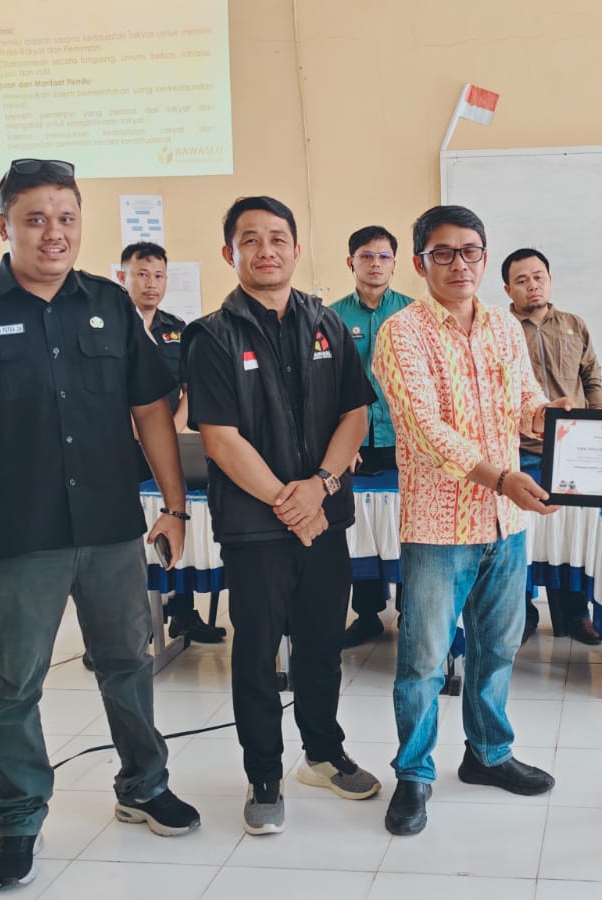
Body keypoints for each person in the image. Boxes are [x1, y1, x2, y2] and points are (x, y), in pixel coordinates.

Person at [0, 159, 200, 890]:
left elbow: (150, 411)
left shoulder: (110, 304)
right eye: (34, 219)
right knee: (11, 684)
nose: (53, 233)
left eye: (66, 218)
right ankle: (19, 816)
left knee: (128, 662)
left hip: (109, 528)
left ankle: (144, 784)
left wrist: (174, 505)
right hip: (17, 535)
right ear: (4, 225)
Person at [183, 196, 381, 836]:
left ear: (296, 249)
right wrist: (290, 504)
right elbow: (220, 439)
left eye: (277, 238)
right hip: (256, 528)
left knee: (322, 645)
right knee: (257, 655)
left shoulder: (328, 325)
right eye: (250, 240)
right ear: (230, 253)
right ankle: (263, 774)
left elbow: (355, 415)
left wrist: (319, 488)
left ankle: (322, 754)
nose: (265, 250)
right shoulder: (211, 335)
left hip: (324, 517)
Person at [371, 205, 569, 836]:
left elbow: (524, 402)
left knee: (498, 647)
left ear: (485, 258)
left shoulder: (503, 327)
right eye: (444, 252)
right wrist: (502, 478)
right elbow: (425, 430)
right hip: (439, 527)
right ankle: (414, 774)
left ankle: (488, 754)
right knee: (425, 660)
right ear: (420, 261)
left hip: (505, 524)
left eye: (471, 251)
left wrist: (552, 417)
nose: (460, 264)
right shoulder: (401, 333)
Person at [117, 240, 224, 645]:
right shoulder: (109, 329)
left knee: (174, 520)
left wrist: (171, 430)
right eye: (142, 275)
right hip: (119, 449)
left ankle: (183, 613)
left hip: (168, 446)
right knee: (128, 537)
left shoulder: (177, 329)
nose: (151, 283)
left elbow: (189, 388)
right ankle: (133, 625)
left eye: (158, 276)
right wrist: (139, 429)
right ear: (123, 277)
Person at [502, 248, 602, 646]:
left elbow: (591, 377)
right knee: (522, 536)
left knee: (570, 532)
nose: (533, 285)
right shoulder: (500, 331)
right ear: (508, 289)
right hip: (520, 450)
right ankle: (523, 615)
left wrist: (597, 425)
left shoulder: (574, 325)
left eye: (539, 277)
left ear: (549, 280)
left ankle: (576, 614)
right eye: (522, 280)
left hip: (571, 449)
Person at [328, 225, 414, 648]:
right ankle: (366, 615)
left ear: (395, 263)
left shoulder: (415, 313)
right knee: (360, 527)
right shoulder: (331, 317)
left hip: (405, 441)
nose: (375, 264)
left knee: (409, 526)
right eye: (366, 256)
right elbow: (325, 386)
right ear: (351, 262)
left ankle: (411, 612)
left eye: (383, 256)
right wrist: (342, 444)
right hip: (356, 444)